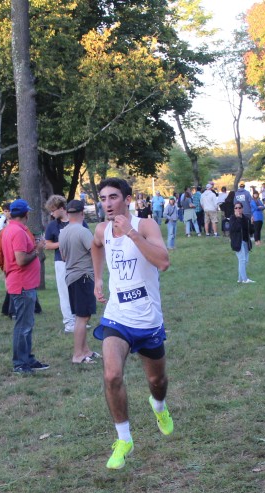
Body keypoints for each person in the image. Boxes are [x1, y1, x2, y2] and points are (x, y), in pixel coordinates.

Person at [90, 177, 173, 470]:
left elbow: (163, 262)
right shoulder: (102, 230)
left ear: (127, 199)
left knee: (157, 382)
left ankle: (159, 406)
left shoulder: (145, 225)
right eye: (103, 198)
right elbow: (96, 246)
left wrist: (131, 233)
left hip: (148, 319)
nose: (107, 203)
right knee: (112, 375)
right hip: (118, 317)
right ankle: (124, 439)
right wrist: (98, 278)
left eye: (113, 197)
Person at [0, 198, 49, 374]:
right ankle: (20, 363)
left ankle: (27, 359)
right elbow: (20, 260)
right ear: (26, 214)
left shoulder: (10, 229)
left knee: (27, 324)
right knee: (23, 326)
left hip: (23, 283)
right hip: (22, 284)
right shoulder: (18, 232)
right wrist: (38, 249)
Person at [58, 199, 99, 364]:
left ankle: (86, 350)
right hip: (83, 277)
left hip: (70, 277)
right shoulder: (83, 232)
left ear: (68, 214)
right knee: (83, 317)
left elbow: (63, 256)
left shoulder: (63, 232)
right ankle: (78, 355)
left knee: (80, 316)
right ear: (82, 213)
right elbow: (95, 253)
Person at [44, 195, 77, 334]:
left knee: (77, 291)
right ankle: (69, 322)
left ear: (62, 208)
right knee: (64, 293)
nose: (52, 214)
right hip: (61, 262)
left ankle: (79, 320)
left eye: (53, 210)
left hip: (78, 261)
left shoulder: (76, 221)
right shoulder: (52, 225)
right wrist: (62, 242)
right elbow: (47, 244)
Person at [227, 202, 254, 283]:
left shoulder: (246, 218)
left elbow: (251, 231)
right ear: (234, 209)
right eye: (236, 208)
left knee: (245, 261)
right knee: (242, 260)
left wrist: (252, 223)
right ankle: (245, 279)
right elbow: (234, 229)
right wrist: (238, 218)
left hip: (246, 242)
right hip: (238, 242)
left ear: (242, 209)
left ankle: (240, 279)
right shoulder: (232, 218)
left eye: (239, 208)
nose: (238, 209)